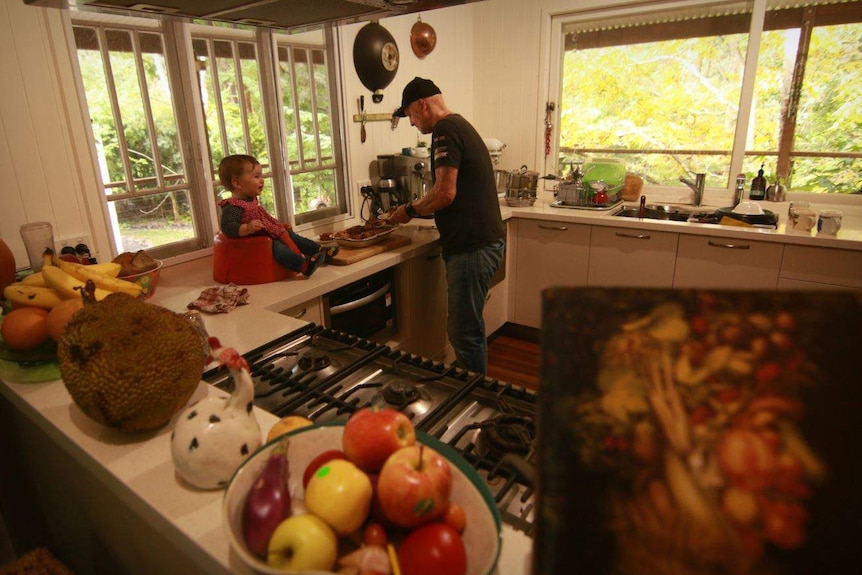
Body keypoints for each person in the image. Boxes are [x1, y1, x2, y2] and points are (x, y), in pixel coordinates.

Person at [389, 77, 505, 374]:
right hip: (480, 243)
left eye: (410, 116)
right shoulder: (459, 124)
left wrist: (409, 209)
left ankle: (474, 401)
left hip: (472, 248)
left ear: (422, 105)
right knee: (469, 330)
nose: (413, 124)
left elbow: (445, 193)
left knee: (464, 335)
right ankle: (475, 394)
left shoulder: (444, 129)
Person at [217, 154, 337, 277]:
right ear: (237, 183)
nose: (262, 180)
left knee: (292, 235)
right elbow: (228, 227)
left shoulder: (250, 199)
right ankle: (303, 265)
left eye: (261, 176)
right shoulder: (233, 207)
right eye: (256, 176)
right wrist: (247, 228)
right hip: (257, 242)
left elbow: (263, 217)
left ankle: (319, 251)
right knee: (278, 248)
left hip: (266, 233)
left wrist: (277, 226)